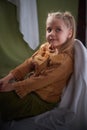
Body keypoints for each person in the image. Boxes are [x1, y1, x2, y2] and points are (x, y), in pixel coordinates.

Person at [0, 11, 76, 121]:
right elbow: (29, 63)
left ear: (69, 33)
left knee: (3, 99)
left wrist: (13, 86)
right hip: (30, 88)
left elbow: (41, 81)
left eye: (58, 29)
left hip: (42, 100)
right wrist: (7, 78)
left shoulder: (64, 61)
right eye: (49, 29)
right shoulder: (46, 47)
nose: (51, 33)